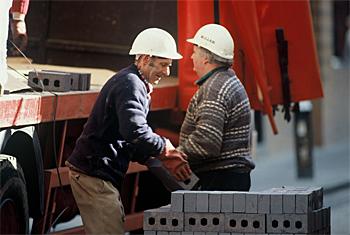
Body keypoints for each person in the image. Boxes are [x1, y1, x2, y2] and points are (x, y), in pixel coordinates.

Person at [66, 28, 191, 235]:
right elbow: (134, 131)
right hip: (94, 173)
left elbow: (130, 139)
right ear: (144, 59)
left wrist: (155, 157)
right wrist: (164, 148)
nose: (167, 72)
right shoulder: (130, 84)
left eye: (169, 66)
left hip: (97, 172)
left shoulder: (135, 83)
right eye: (163, 65)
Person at [177, 24, 255, 191]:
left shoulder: (214, 88)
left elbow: (207, 142)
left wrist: (176, 154)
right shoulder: (227, 80)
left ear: (205, 58)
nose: (191, 57)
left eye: (195, 51)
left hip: (219, 179)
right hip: (230, 178)